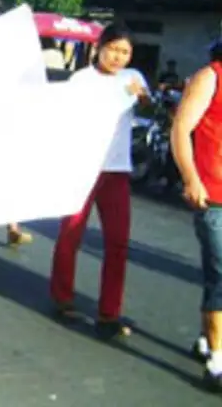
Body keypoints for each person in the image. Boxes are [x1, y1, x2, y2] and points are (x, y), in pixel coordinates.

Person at [49, 22, 148, 340]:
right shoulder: (81, 80)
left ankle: (110, 313)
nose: (118, 57)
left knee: (117, 242)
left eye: (125, 52)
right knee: (71, 235)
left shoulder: (133, 78)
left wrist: (142, 96)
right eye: (114, 49)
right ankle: (63, 298)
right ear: (99, 47)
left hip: (117, 170)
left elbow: (150, 108)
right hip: (83, 168)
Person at [171, 38, 222, 391]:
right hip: (214, 194)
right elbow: (180, 130)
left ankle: (207, 340)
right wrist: (191, 178)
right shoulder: (211, 77)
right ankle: (218, 361)